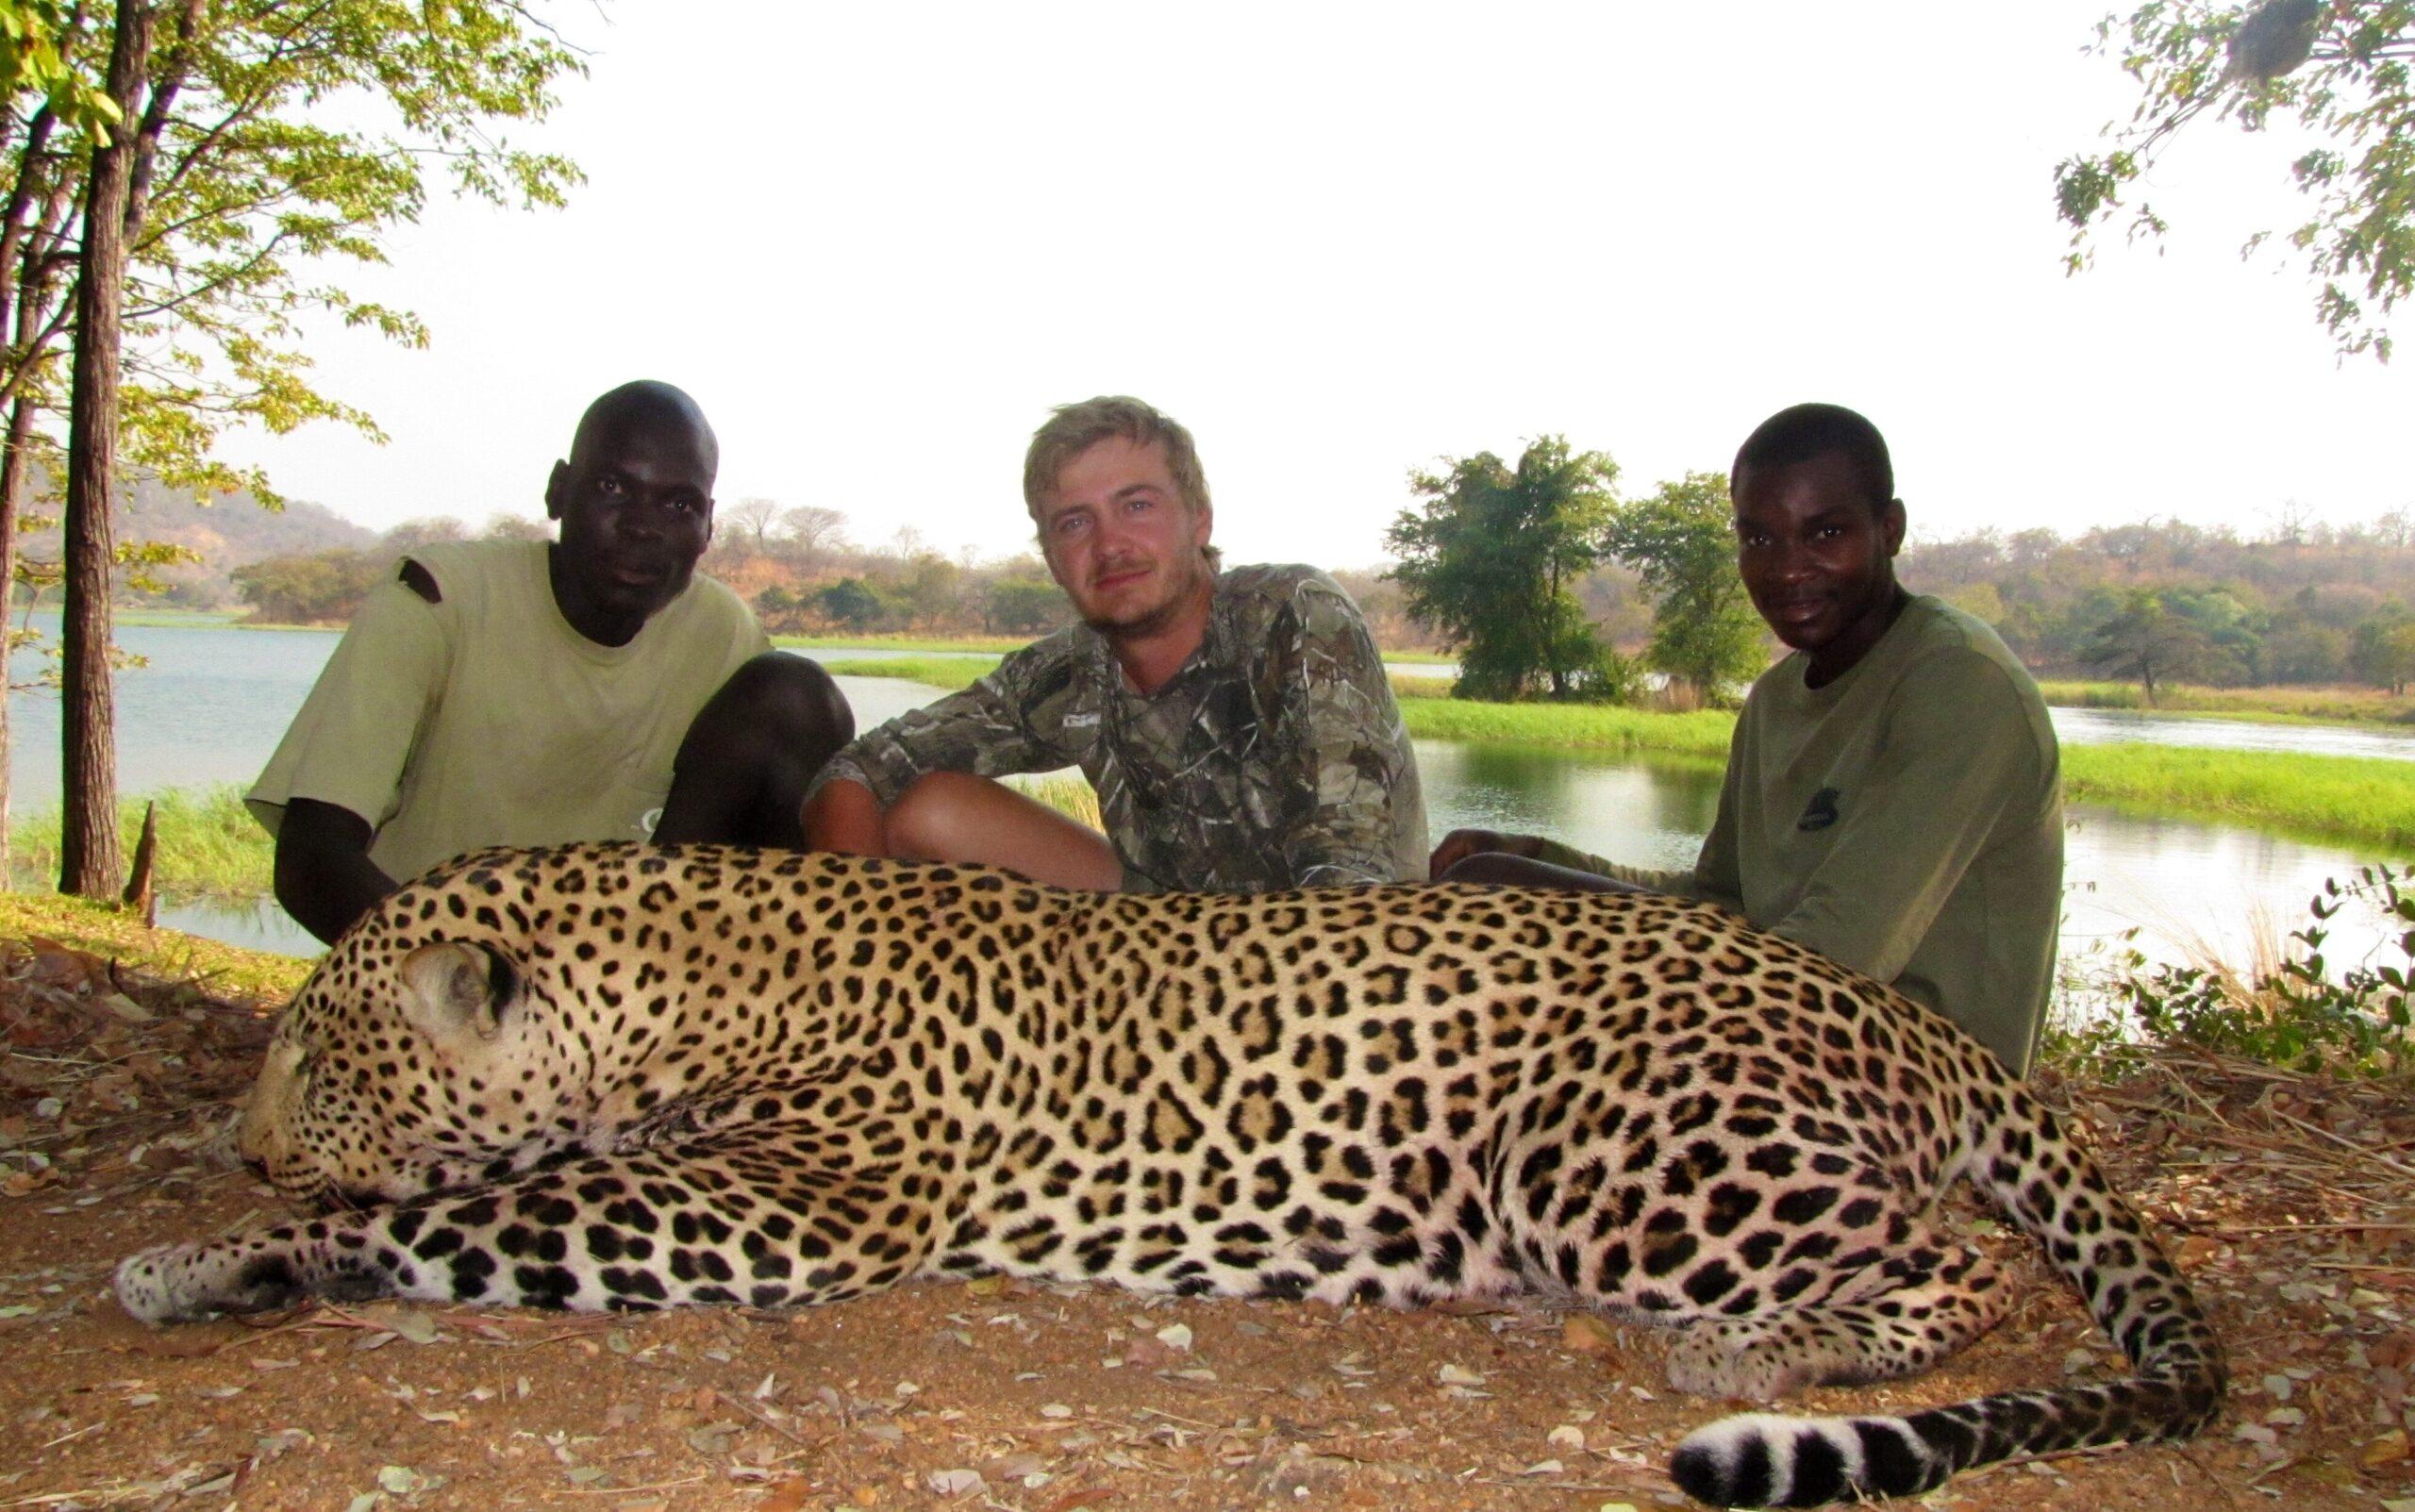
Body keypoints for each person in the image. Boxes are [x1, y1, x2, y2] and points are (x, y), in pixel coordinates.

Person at [1432, 403, 2062, 1073]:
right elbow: (1718, 903)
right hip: (1780, 1031)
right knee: (1485, 881)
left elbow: (1830, 964)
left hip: (1921, 1087)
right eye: (1759, 540)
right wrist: (1533, 858)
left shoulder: (1959, 682)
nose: (1786, 569)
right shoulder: (1774, 700)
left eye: (1824, 532)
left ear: (1890, 528)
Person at [248, 380, 854, 944]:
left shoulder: (725, 634)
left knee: (798, 694)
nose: (642, 526)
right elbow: (311, 859)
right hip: (440, 966)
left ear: (708, 529)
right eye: (614, 489)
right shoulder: (441, 600)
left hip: (619, 978)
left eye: (678, 506)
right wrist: (462, 975)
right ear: (559, 490)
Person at [803, 394, 1425, 892]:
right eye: (1074, 522)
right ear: (1050, 555)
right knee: (928, 811)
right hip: (1154, 943)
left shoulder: (1293, 615)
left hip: (1336, 955)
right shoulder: (1072, 671)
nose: (1109, 544)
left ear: (1199, 516)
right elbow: (857, 768)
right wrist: (864, 925)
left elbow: (1351, 880)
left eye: (1137, 505)